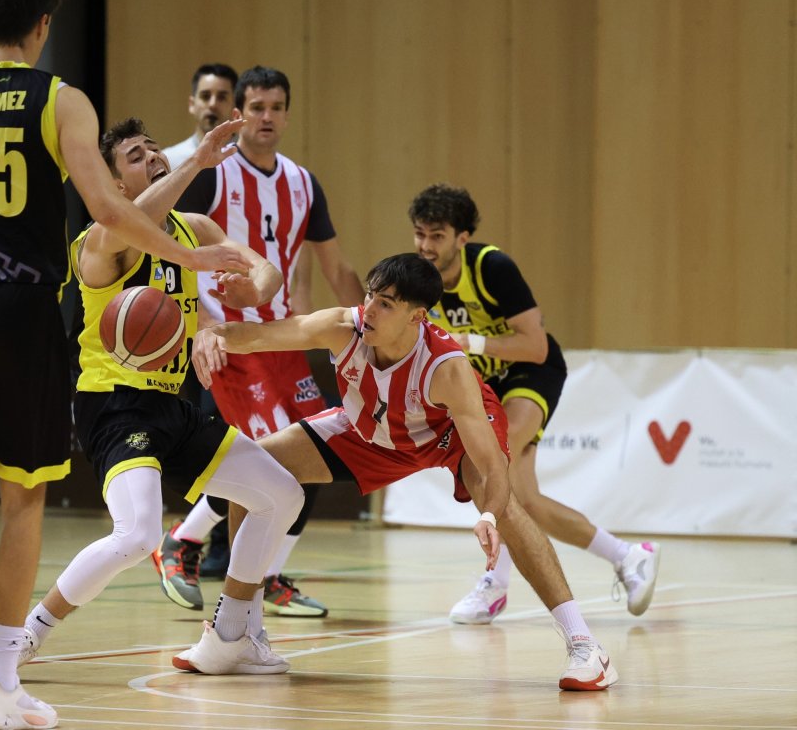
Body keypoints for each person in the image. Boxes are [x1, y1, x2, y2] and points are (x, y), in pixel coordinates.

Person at [0, 0, 249, 730]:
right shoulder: (61, 100)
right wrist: (190, 258)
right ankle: (2, 681)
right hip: (25, 311)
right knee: (23, 496)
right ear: (41, 28)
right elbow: (107, 206)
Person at [189, 253, 620, 691]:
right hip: (372, 429)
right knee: (253, 470)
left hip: (446, 433)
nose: (370, 309)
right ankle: (241, 633)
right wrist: (209, 334)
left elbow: (492, 468)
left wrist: (488, 514)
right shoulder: (344, 326)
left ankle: (585, 646)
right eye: (371, 295)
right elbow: (260, 337)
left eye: (387, 304)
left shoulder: (446, 368)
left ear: (417, 316)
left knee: (507, 508)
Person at [0, 116, 305, 678]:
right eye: (135, 155)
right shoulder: (101, 242)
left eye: (155, 149)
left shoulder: (194, 227)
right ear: (117, 186)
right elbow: (130, 225)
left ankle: (232, 634)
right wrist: (196, 162)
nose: (152, 156)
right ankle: (25, 636)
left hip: (171, 404)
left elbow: (267, 270)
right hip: (114, 404)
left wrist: (253, 288)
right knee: (138, 534)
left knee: (282, 494)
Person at [154, 65, 363, 617]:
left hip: (282, 339)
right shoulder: (211, 175)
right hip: (229, 338)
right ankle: (185, 538)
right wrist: (197, 326)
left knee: (327, 450)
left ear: (287, 114)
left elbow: (336, 267)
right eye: (257, 107)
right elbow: (163, 247)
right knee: (268, 460)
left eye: (276, 107)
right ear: (238, 114)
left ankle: (267, 574)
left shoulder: (303, 181)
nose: (267, 117)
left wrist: (373, 328)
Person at [408, 184, 660, 624]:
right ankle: (628, 555)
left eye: (437, 236)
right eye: (420, 234)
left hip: (530, 372)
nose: (426, 246)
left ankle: (495, 585)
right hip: (484, 380)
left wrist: (469, 341)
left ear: (462, 237)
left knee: (494, 465)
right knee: (525, 500)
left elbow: (536, 345)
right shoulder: (418, 280)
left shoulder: (492, 267)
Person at [162, 63, 238, 168]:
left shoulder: (251, 158)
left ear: (236, 106)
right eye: (205, 96)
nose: (213, 104)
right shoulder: (170, 161)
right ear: (192, 104)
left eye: (221, 97)